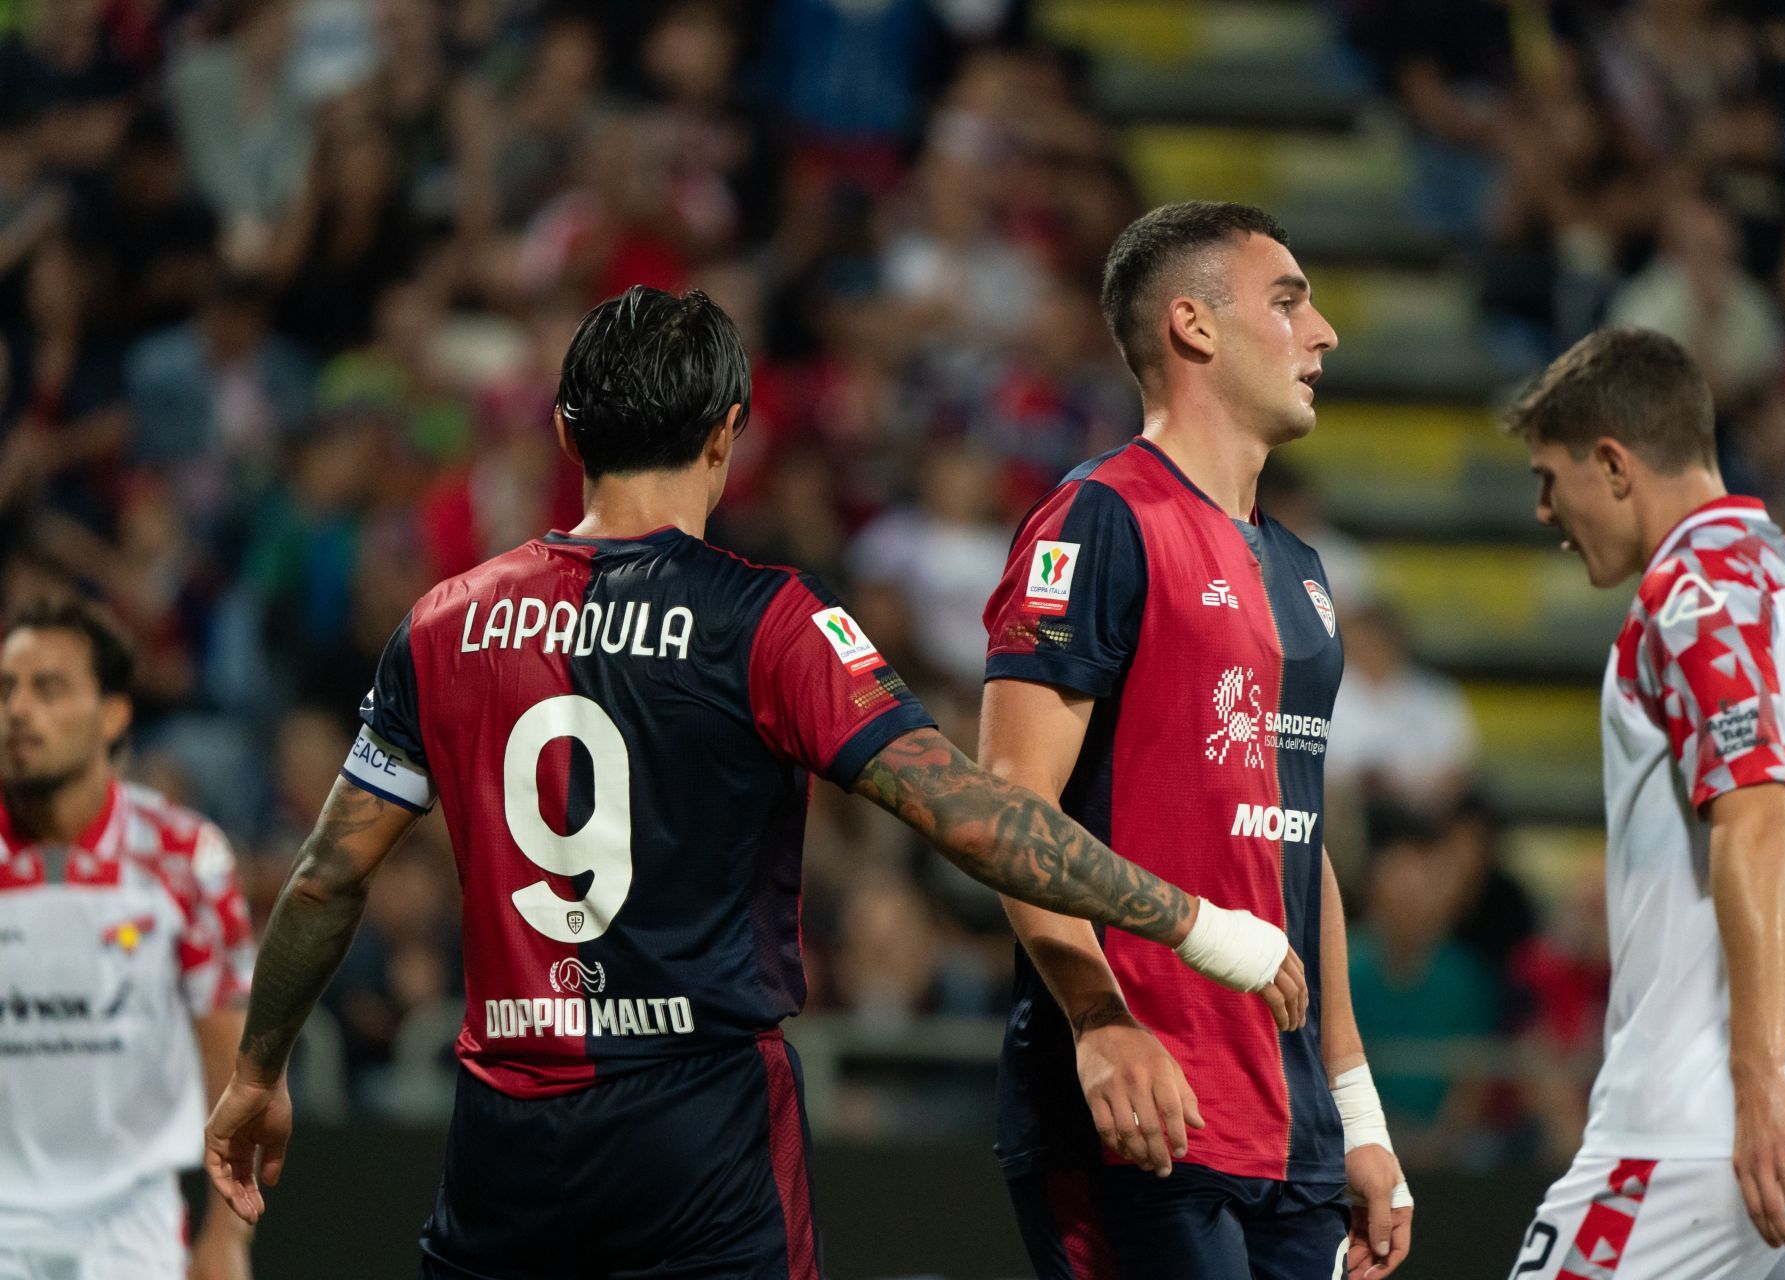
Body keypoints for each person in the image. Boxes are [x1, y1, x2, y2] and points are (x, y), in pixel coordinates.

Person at [201, 285, 1308, 1280]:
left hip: (506, 1135)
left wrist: (258, 1069)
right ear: (730, 432)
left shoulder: (444, 621)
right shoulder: (770, 620)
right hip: (701, 1129)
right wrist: (1195, 921)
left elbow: (324, 879)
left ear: (564, 431)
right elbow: (971, 815)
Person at [980, 201, 1412, 1280]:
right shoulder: (1099, 520)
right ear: (1194, 326)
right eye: (1288, 300)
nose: (1324, 334)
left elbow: (1294, 846)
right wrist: (1097, 1020)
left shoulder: (1305, 574)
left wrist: (1354, 1104)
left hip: (1289, 1120)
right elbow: (1007, 803)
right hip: (1140, 1104)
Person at [1501, 327, 1785, 1279]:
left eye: (1548, 478)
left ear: (1612, 466)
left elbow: (1758, 818)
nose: (1541, 510)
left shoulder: (1682, 602)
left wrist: (1757, 1077)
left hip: (1704, 1135)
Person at [0, 600, 256, 1280]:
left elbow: (233, 1063)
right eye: (6, 690)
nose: (18, 710)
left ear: (113, 714)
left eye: (48, 688)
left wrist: (226, 1239)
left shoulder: (184, 859)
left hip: (131, 1237)